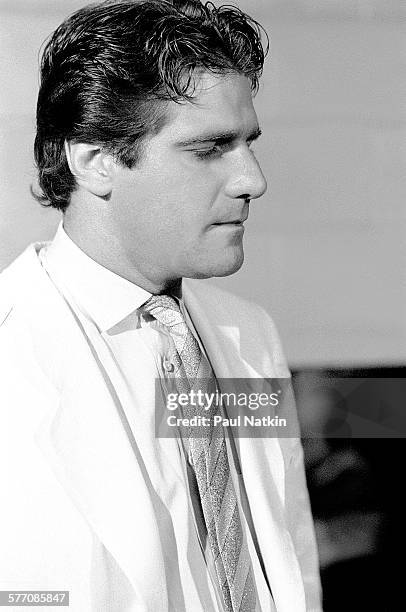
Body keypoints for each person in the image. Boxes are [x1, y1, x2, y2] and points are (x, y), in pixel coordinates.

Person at [0, 1, 321, 610]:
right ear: (94, 160)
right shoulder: (9, 351)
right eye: (209, 148)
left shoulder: (248, 334)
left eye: (247, 143)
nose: (253, 179)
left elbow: (290, 551)